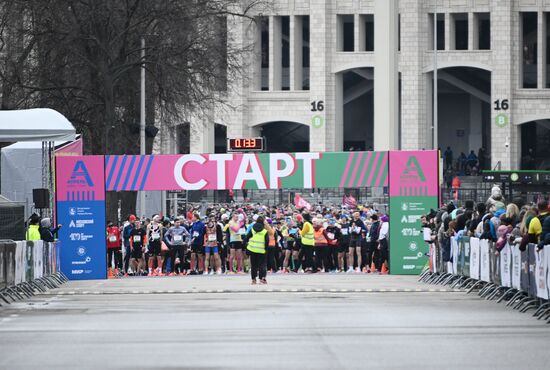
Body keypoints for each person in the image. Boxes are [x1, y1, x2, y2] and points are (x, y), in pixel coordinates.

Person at [246, 216, 270, 285]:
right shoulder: (265, 231)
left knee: (253, 265)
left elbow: (247, 237)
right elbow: (267, 242)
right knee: (262, 265)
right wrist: (266, 249)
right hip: (261, 251)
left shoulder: (253, 229)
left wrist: (247, 245)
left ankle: (253, 280)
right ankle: (262, 279)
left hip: (253, 250)